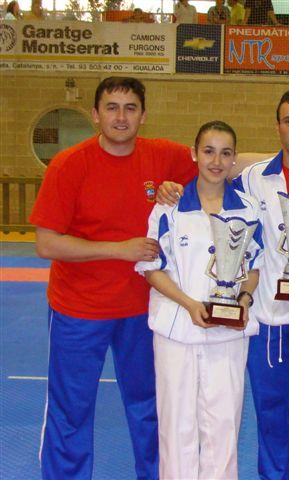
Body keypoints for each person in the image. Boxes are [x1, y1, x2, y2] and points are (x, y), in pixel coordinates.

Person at [157, 88, 289, 480]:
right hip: (269, 317)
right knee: (271, 415)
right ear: (278, 126)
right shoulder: (254, 180)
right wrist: (170, 189)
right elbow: (211, 185)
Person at [29, 77, 197, 480]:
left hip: (142, 310)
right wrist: (118, 249)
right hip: (78, 311)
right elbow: (46, 244)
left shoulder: (164, 157)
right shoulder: (69, 164)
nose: (121, 117)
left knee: (149, 406)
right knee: (72, 408)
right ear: (95, 114)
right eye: (112, 107)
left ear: (144, 115)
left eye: (130, 108)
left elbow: (220, 161)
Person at [135, 121, 262, 479]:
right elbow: (151, 268)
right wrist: (189, 304)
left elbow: (256, 264)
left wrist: (245, 296)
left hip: (229, 333)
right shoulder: (169, 209)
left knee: (224, 426)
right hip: (176, 331)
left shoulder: (248, 209)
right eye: (208, 151)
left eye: (225, 153)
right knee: (177, 427)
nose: (216, 161)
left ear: (234, 158)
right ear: (194, 154)